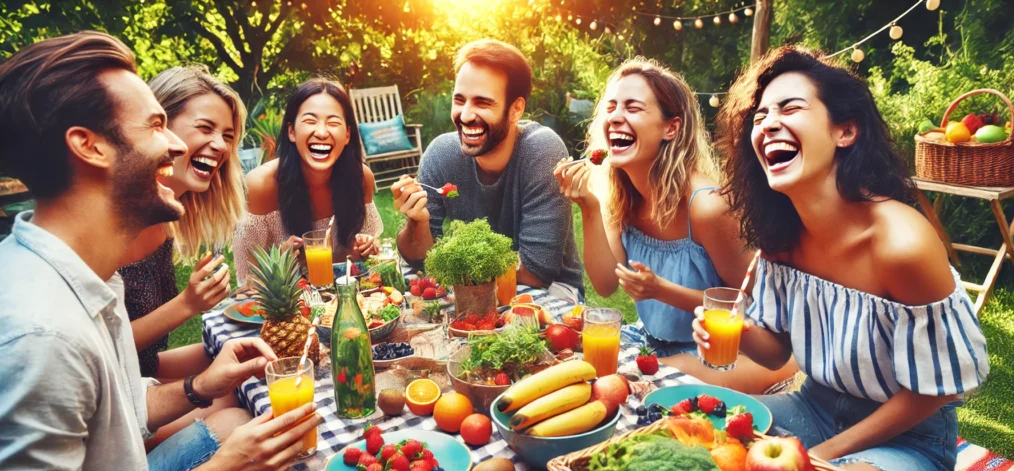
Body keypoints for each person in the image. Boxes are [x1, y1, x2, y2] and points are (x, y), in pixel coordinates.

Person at [0, 31, 320, 471]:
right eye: (154, 125)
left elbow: (126, 405)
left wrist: (201, 384)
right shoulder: (39, 331)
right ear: (90, 145)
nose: (174, 146)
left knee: (241, 425)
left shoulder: (90, 277)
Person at [695, 46, 989, 471]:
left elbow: (937, 391)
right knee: (698, 439)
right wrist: (733, 332)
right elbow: (775, 352)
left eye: (790, 107)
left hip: (908, 441)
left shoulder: (902, 243)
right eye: (759, 116)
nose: (768, 123)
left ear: (845, 131)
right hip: (812, 407)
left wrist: (821, 459)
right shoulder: (780, 236)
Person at [554, 57, 797, 393]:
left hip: (729, 354)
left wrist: (661, 290)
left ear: (671, 127)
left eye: (633, 108)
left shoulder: (707, 208)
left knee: (628, 387)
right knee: (577, 370)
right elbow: (606, 283)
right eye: (611, 106)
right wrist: (590, 208)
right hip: (652, 342)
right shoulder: (619, 194)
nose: (615, 117)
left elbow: (755, 308)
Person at [391, 39, 585, 301]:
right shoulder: (441, 154)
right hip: (470, 284)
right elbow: (420, 260)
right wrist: (418, 222)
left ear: (516, 109)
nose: (466, 115)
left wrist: (451, 265)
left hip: (547, 291)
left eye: (483, 103)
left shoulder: (542, 151)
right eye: (460, 100)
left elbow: (537, 271)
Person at [120, 66, 246, 445]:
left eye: (227, 136)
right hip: (114, 400)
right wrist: (186, 305)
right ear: (161, 126)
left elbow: (141, 356)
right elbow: (99, 346)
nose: (222, 147)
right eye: (205, 128)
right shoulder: (117, 221)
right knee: (243, 410)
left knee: (244, 372)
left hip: (139, 370)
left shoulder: (166, 216)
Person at [235, 78, 382, 286]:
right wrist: (280, 263)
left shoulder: (360, 178)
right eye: (310, 121)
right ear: (291, 132)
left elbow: (363, 260)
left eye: (333, 123)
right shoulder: (261, 186)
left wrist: (368, 247)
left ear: (347, 134)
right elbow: (246, 284)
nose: (322, 133)